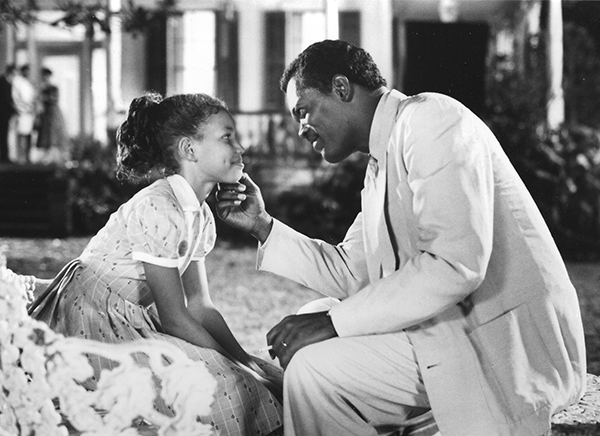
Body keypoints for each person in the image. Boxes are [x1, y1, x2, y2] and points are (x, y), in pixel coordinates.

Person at [215, 40, 586, 436]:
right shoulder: (381, 163)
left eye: (303, 110)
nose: (301, 129)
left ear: (341, 88)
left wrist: (334, 323)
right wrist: (262, 225)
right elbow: (351, 272)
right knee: (313, 316)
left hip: (504, 348)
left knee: (312, 367)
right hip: (447, 332)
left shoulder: (431, 119)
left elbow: (455, 264)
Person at [28, 91, 283, 436]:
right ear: (189, 149)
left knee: (264, 377)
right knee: (222, 385)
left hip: (130, 317)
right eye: (227, 137)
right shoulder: (159, 207)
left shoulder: (200, 214)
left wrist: (246, 360)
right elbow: (175, 317)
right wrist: (237, 368)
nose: (240, 148)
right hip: (92, 320)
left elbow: (200, 305)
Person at [33, 68, 70, 164]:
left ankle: (55, 157)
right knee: (45, 134)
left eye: (47, 76)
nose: (45, 78)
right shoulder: (40, 88)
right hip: (45, 114)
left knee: (53, 133)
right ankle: (47, 156)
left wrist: (44, 98)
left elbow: (54, 98)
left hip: (53, 113)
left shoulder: (53, 88)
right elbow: (38, 101)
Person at [11, 64, 36, 163]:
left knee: (29, 135)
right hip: (22, 112)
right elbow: (16, 98)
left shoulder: (29, 83)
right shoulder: (17, 82)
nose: (27, 73)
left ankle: (27, 156)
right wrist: (22, 108)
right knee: (21, 134)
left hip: (29, 112)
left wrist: (32, 107)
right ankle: (19, 157)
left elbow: (32, 97)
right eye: (26, 71)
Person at [0, 64, 17, 163]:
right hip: (2, 113)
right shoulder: (2, 82)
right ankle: (4, 156)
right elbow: (6, 99)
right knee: (3, 134)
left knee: (4, 134)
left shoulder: (9, 84)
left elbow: (9, 99)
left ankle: (4, 155)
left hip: (5, 114)